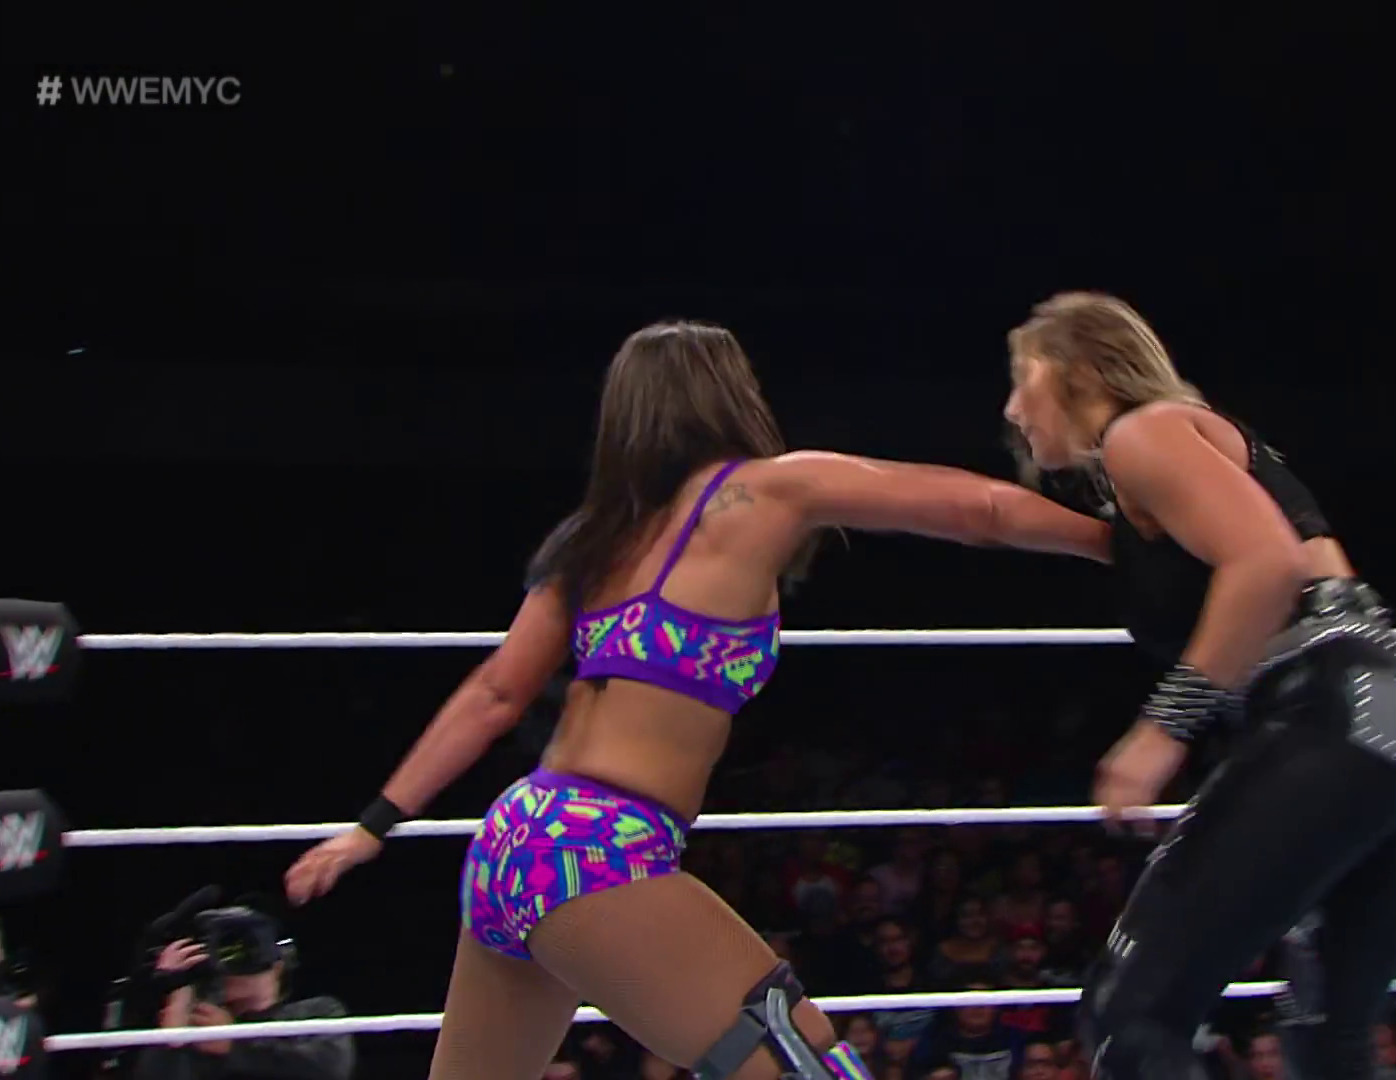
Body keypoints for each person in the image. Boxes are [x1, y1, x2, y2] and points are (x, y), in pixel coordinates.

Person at [281, 321, 1111, 1080]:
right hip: (598, 852)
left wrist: (371, 826)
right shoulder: (767, 491)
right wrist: (1118, 543)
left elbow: (495, 693)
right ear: (732, 395)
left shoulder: (596, 538)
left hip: (517, 840)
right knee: (808, 1066)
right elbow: (979, 508)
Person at [1000, 292, 1396, 1080]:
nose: (1013, 408)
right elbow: (990, 512)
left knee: (1129, 1017)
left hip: (1334, 707)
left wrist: (1163, 727)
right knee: (1326, 1041)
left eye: (1023, 379)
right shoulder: (1177, 466)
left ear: (1077, 371)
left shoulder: (1142, 432)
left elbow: (1267, 563)